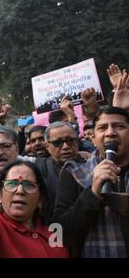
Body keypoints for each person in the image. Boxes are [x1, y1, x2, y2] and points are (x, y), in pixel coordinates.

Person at [53, 106, 129, 257]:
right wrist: (92, 192)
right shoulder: (73, 173)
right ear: (93, 138)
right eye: (102, 128)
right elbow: (60, 233)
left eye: (119, 126)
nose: (110, 133)